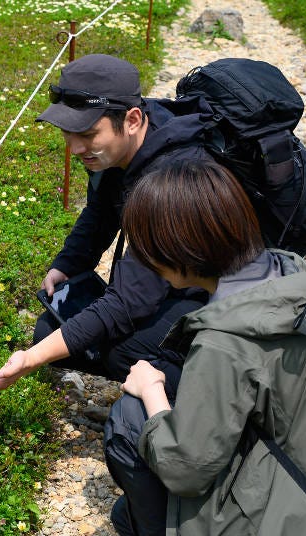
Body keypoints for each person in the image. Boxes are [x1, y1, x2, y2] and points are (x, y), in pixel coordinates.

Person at [105, 160, 306, 535]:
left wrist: (151, 393)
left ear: (178, 252)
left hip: (285, 520)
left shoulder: (226, 340)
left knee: (130, 418)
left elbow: (185, 469)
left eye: (148, 249)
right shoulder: (293, 274)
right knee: (123, 514)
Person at [32, 54, 215, 381]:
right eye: (67, 132)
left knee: (127, 356)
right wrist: (68, 265)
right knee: (49, 331)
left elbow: (130, 302)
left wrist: (26, 362)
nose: (74, 148)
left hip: (221, 286)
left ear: (131, 120)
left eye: (87, 134)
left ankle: (203, 395)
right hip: (173, 266)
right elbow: (101, 210)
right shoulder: (130, 141)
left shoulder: (173, 178)